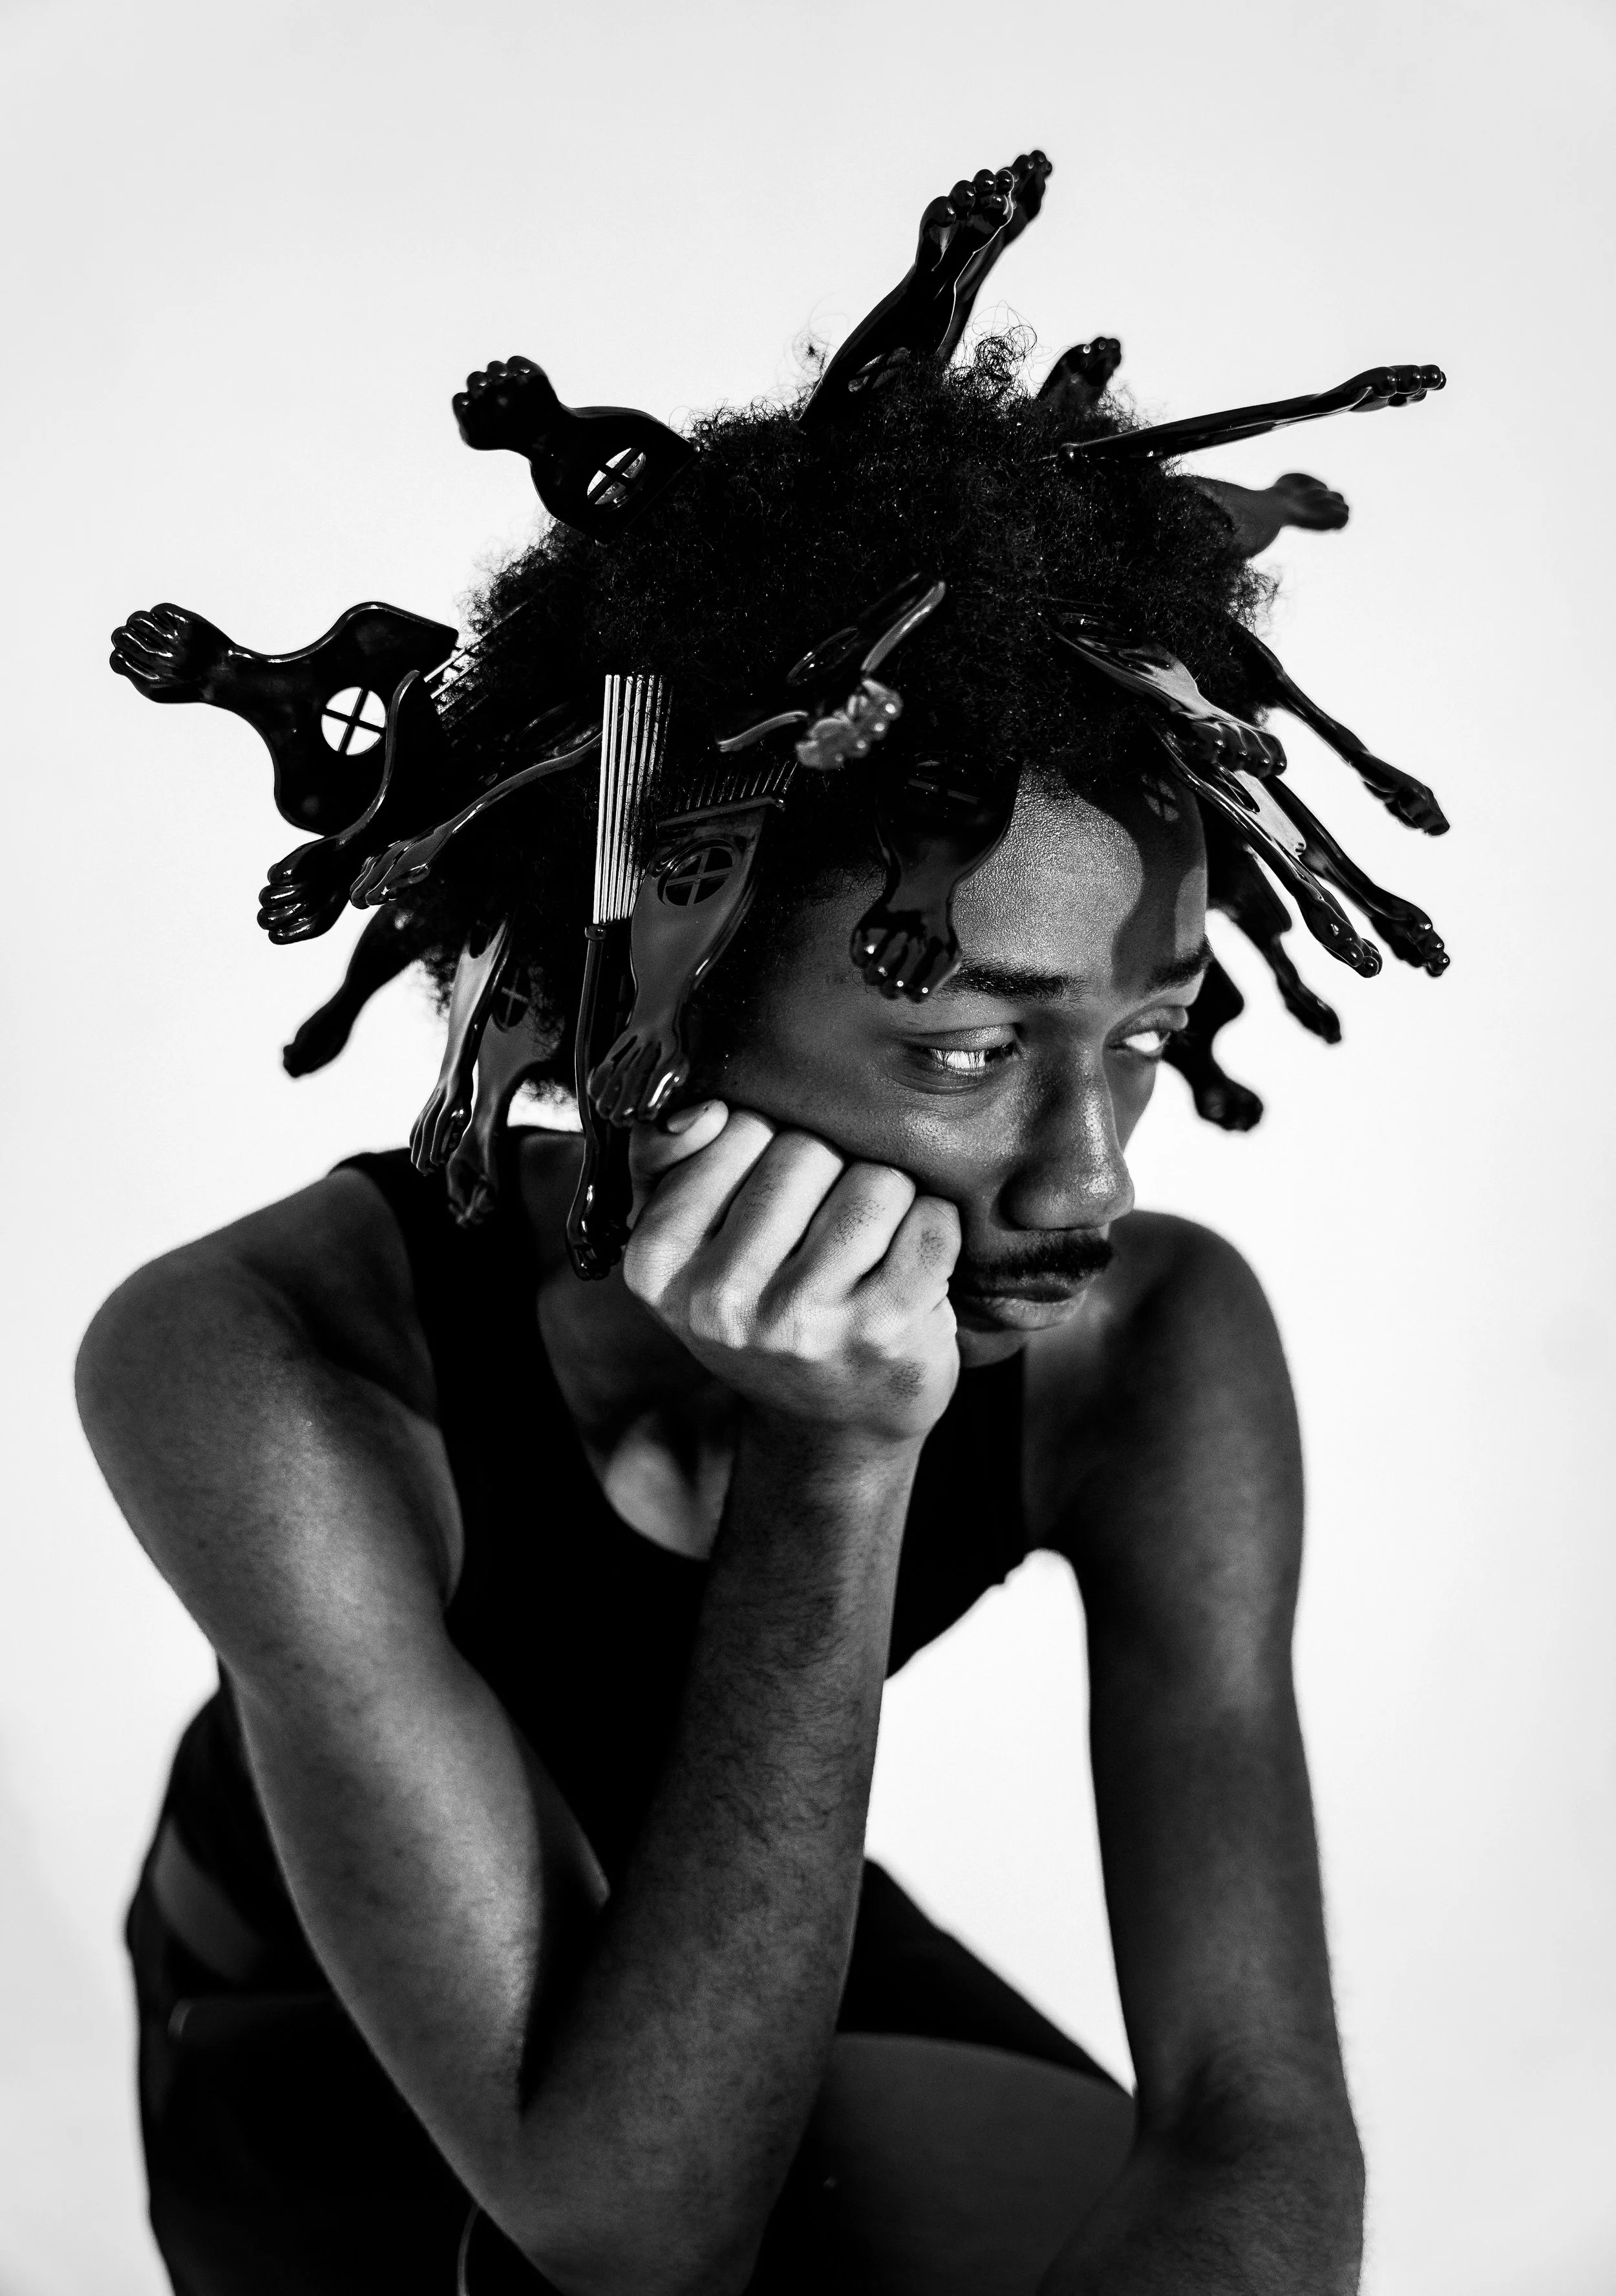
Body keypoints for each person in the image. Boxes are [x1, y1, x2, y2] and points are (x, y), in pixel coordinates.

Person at [81, 160, 1450, 2296]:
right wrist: (835, 1460)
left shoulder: (1150, 1346)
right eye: (971, 1050)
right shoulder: (259, 1359)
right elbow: (625, 2235)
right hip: (335, 2040)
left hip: (744, 1921)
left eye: (1146, 1041)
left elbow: (1253, 2123)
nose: (1092, 1181)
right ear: (649, 1003)